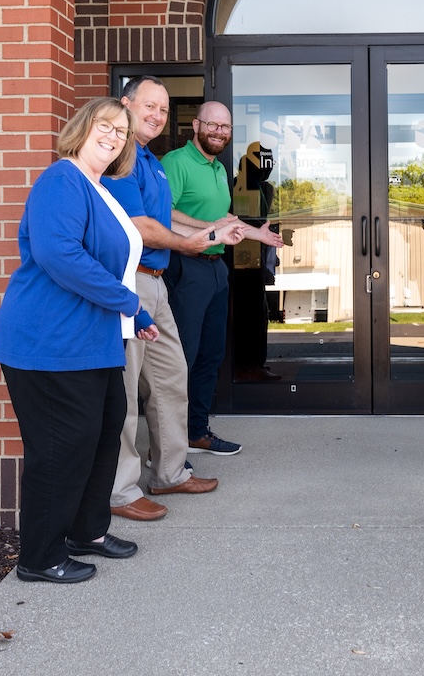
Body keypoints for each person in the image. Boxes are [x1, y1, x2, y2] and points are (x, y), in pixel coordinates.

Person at [0, 97, 153, 583]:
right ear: (83, 127)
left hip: (94, 341)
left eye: (122, 133)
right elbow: (58, 254)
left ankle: (87, 531)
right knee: (60, 447)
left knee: (103, 436)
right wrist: (129, 305)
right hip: (49, 344)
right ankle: (39, 557)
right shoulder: (61, 180)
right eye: (105, 126)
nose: (113, 137)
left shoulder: (99, 188)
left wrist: (125, 318)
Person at [103, 76, 243, 523]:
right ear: (126, 105)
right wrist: (191, 244)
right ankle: (121, 490)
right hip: (130, 282)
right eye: (149, 106)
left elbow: (170, 220)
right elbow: (142, 226)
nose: (157, 116)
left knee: (170, 376)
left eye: (163, 110)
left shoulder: (151, 162)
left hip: (157, 281)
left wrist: (209, 234)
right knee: (126, 388)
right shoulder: (122, 159)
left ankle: (169, 471)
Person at [162, 101, 284, 455]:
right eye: (213, 125)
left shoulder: (217, 168)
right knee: (181, 357)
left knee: (210, 355)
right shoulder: (176, 163)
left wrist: (255, 234)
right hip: (187, 265)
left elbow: (223, 215)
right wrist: (213, 229)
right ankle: (167, 444)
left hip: (216, 268)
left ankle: (196, 432)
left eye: (225, 128)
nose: (219, 132)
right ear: (196, 125)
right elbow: (163, 214)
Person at [231, 141, 281, 381]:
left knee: (257, 312)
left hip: (253, 257)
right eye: (262, 161)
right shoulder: (241, 186)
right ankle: (246, 366)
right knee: (248, 313)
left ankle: (251, 365)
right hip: (241, 260)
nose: (266, 167)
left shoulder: (262, 188)